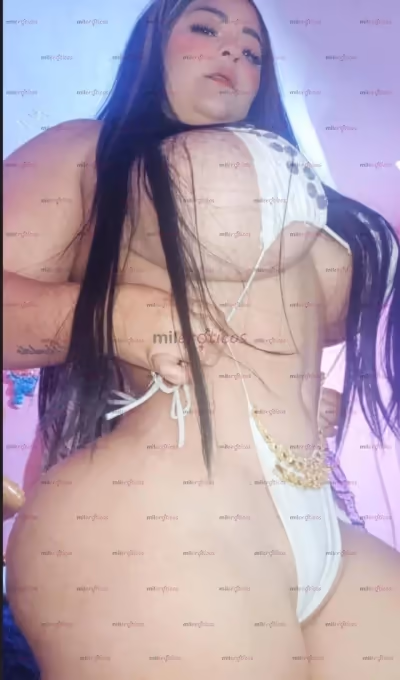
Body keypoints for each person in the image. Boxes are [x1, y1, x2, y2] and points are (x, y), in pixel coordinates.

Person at [4, 0, 400, 678]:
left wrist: (300, 394)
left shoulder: (297, 180)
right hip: (158, 515)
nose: (234, 53)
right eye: (207, 28)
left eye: (252, 49)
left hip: (314, 523)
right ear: (151, 46)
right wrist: (115, 316)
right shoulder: (87, 149)